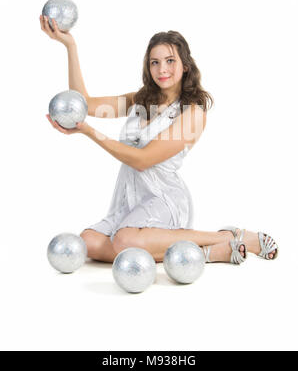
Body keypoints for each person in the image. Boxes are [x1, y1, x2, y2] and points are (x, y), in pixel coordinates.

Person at [40, 15, 278, 265]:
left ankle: (224, 238)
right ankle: (197, 250)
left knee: (123, 241)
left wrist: (90, 133)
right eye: (155, 62)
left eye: (170, 61)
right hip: (130, 197)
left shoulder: (193, 112)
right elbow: (84, 104)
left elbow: (142, 160)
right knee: (88, 242)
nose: (161, 69)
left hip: (162, 198)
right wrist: (70, 46)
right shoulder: (139, 100)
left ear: (185, 65)